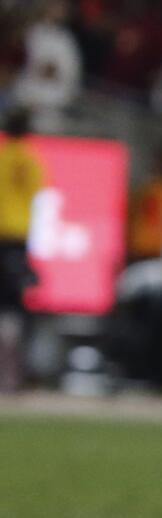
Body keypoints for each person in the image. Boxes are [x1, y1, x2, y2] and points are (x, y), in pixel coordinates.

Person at [0, 108, 44, 393]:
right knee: (14, 309)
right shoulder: (31, 159)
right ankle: (11, 377)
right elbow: (37, 196)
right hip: (17, 237)